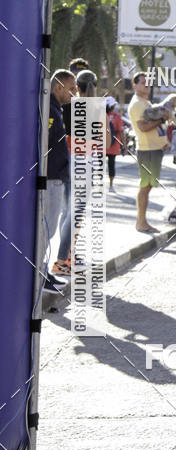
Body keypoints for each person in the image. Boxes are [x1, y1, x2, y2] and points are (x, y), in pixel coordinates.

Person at [128, 71, 176, 234]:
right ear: (134, 85)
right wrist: (162, 119)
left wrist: (163, 141)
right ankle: (141, 222)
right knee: (145, 186)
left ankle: (142, 221)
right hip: (147, 150)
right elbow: (142, 126)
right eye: (142, 82)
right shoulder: (137, 103)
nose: (146, 85)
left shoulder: (144, 102)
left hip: (153, 149)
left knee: (147, 186)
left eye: (148, 82)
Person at [44, 70, 76, 293]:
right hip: (51, 179)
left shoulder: (56, 108)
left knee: (50, 230)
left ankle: (42, 272)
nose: (74, 94)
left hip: (57, 178)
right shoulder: (50, 110)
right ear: (58, 87)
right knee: (46, 230)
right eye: (71, 89)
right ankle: (39, 275)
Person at [106, 96, 125, 191]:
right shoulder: (117, 117)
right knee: (111, 165)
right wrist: (124, 146)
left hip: (100, 145)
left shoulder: (100, 115)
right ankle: (110, 185)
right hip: (113, 145)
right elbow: (121, 132)